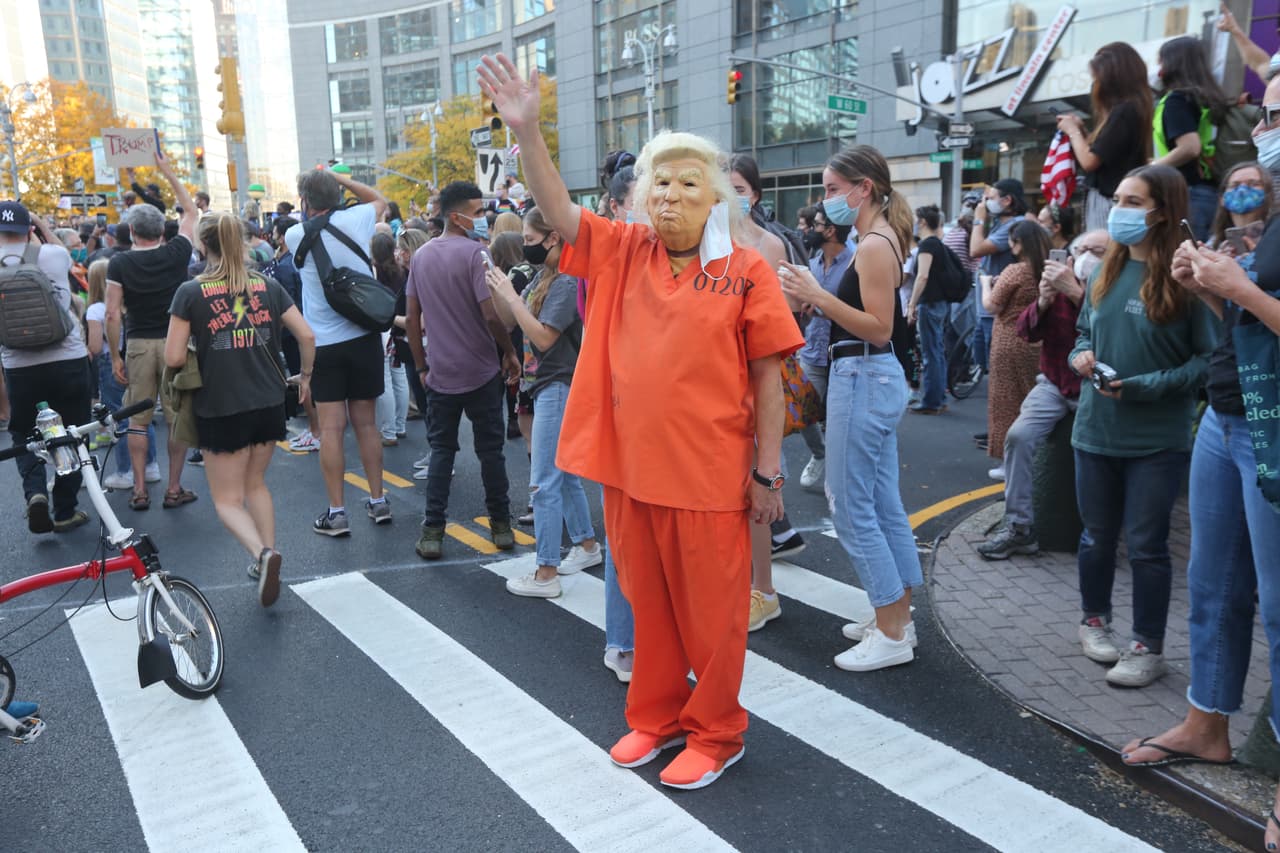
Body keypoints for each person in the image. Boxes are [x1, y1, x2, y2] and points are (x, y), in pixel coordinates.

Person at [480, 53, 802, 789]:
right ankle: (655, 716)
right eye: (661, 180)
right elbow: (559, 213)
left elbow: (769, 378)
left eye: (690, 182)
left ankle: (718, 733)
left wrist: (767, 472)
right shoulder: (624, 249)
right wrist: (527, 132)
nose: (672, 194)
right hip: (631, 473)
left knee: (713, 620)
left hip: (712, 477)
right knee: (647, 607)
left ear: (715, 196)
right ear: (641, 194)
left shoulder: (746, 269)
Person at [1125, 144, 1280, 846]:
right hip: (1226, 412)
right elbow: (1249, 325)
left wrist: (1240, 289)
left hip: (1268, 427)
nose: (1269, 131)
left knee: (1277, 604)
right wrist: (1213, 286)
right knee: (1213, 584)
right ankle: (1206, 722)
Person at [1068, 164, 1218, 688]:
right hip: (1095, 431)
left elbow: (1207, 360)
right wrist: (1082, 356)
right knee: (1096, 537)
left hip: (1157, 438)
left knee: (1149, 546)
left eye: (1134, 202)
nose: (1120, 211)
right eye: (1119, 199)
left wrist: (1143, 386)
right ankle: (1094, 621)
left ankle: (1147, 645)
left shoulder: (1187, 278)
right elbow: (1083, 333)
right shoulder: (1105, 269)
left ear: (1163, 211)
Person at [776, 145, 921, 674]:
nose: (825, 199)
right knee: (880, 502)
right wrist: (816, 297)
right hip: (862, 373)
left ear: (865, 189)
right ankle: (896, 617)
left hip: (863, 372)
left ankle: (891, 626)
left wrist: (817, 293)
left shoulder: (876, 245)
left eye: (834, 189)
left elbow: (881, 328)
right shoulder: (874, 240)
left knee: (851, 504)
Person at [165, 212, 315, 607]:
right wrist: (306, 377)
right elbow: (306, 334)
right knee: (256, 485)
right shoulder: (267, 284)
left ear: (203, 243)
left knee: (227, 499)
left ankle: (262, 556)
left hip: (221, 405)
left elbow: (174, 356)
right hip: (268, 401)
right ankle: (267, 554)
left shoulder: (191, 292)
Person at [486, 206, 602, 597]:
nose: (525, 247)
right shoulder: (545, 275)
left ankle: (546, 572)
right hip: (546, 384)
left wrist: (512, 301)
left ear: (553, 238)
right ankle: (586, 545)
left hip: (557, 384)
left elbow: (544, 337)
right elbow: (509, 321)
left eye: (531, 240)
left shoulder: (567, 280)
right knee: (563, 474)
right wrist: (498, 289)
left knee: (544, 482)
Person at [404, 181, 520, 560]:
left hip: (440, 373)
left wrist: (421, 365)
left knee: (442, 451)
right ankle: (500, 525)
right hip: (482, 370)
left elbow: (412, 317)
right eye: (475, 210)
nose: (481, 217)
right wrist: (508, 352)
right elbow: (490, 313)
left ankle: (432, 531)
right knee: (491, 452)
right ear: (457, 216)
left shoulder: (421, 257)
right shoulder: (476, 255)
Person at [977, 229, 1104, 560]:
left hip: (1098, 387)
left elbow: (1111, 335)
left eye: (1099, 251)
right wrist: (1045, 300)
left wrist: (1078, 295)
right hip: (1054, 382)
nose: (1089, 257)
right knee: (1018, 436)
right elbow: (1025, 330)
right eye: (1084, 249)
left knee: (1098, 457)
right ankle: (1020, 527)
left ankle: (1101, 531)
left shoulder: (1115, 291)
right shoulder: (1058, 287)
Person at [284, 168, 393, 536]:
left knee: (331, 428)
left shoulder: (294, 233)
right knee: (367, 423)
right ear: (337, 195)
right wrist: (340, 179)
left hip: (325, 344)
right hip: (364, 337)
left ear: (304, 201)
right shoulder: (358, 217)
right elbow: (379, 199)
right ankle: (378, 501)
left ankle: (337, 511)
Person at [729, 152, 806, 632]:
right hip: (719, 378)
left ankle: (765, 590)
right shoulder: (707, 240)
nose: (731, 196)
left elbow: (778, 321)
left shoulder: (768, 245)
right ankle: (746, 584)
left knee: (756, 484)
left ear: (755, 195)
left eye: (739, 188)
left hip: (755, 374)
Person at [105, 150, 199, 512]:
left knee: (138, 421)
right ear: (162, 230)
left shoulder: (120, 262)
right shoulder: (177, 253)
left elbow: (112, 313)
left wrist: (115, 354)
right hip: (176, 343)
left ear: (131, 232)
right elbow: (190, 211)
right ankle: (174, 488)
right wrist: (166, 171)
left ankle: (140, 489)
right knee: (176, 421)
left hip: (140, 345)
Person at [0, 202, 93, 533]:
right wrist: (40, 223)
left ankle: (36, 493)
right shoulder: (51, 256)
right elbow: (61, 249)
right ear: (29, 230)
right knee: (73, 430)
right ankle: (66, 509)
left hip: (19, 365)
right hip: (67, 358)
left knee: (23, 431)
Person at [1056, 42, 1154, 231]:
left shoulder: (1123, 111)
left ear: (1111, 79)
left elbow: (1090, 161)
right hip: (1118, 197)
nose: (1094, 85)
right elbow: (1102, 152)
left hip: (1109, 198)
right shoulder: (1135, 108)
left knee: (1099, 251)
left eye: (1096, 78)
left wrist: (1072, 131)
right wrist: (1082, 131)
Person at [981, 220, 1048, 478]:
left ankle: (1008, 463)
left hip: (1008, 341)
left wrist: (987, 283)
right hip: (1035, 342)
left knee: (1005, 402)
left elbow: (992, 305)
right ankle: (1033, 459)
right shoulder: (1044, 269)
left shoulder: (1015, 270)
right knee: (1030, 401)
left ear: (1018, 243)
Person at [1152, 36, 1231, 243]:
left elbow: (1190, 147)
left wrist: (1152, 168)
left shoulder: (1177, 99)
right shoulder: (1208, 98)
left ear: (1172, 63)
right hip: (1208, 191)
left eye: (1160, 60)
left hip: (1187, 193)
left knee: (1184, 258)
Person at [86, 260, 159, 486]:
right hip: (136, 357)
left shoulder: (97, 310)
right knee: (140, 413)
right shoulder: (131, 304)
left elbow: (96, 347)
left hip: (111, 362)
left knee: (118, 416)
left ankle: (126, 471)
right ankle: (150, 465)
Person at [796, 203, 853, 482]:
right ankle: (820, 455)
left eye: (816, 225)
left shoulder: (855, 263)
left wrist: (820, 307)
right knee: (802, 411)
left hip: (844, 355)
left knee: (840, 422)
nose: (809, 230)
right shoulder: (813, 262)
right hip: (812, 350)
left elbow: (856, 313)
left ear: (830, 231)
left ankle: (840, 472)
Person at [969, 178, 1026, 372]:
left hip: (998, 308)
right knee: (988, 368)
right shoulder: (1000, 224)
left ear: (1007, 200)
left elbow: (975, 249)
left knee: (999, 372)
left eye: (990, 198)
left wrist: (979, 218)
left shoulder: (1015, 225)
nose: (985, 203)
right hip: (987, 307)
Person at [905, 204, 951, 415]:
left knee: (930, 353)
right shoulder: (939, 244)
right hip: (940, 303)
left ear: (922, 222)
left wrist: (912, 303)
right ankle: (938, 398)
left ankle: (931, 401)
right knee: (937, 352)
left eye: (916, 219)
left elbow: (922, 276)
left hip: (929, 303)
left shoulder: (926, 246)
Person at [371, 232, 409, 446]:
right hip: (399, 326)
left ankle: (389, 431)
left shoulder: (374, 271)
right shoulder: (401, 271)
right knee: (399, 376)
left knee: (385, 379)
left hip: (383, 327)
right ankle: (400, 425)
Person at [1209, 161, 1272, 251]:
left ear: (1267, 194)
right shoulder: (1214, 244)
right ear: (1222, 199)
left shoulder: (1275, 237)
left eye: (1253, 184)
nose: (1242, 190)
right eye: (1234, 185)